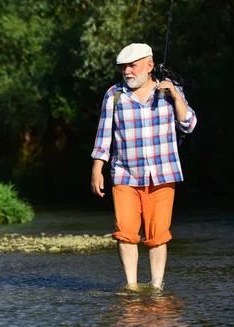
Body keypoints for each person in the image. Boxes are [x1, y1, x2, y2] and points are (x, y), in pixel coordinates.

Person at [90, 43, 197, 290]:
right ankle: (132, 285)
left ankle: (157, 286)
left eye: (132, 65)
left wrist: (176, 96)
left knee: (158, 234)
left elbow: (189, 125)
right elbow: (104, 135)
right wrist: (97, 168)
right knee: (125, 232)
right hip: (125, 175)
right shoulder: (114, 94)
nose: (127, 71)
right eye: (123, 67)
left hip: (162, 174)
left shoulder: (171, 91)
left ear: (149, 66)